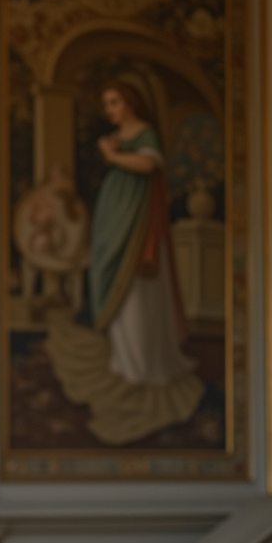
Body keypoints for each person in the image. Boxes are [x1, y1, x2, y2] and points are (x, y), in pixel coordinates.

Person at [89, 79, 194, 386]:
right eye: (106, 104)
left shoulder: (145, 133)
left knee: (136, 290)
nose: (109, 109)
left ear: (131, 102)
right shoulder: (115, 138)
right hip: (114, 220)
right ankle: (123, 359)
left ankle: (142, 364)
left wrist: (112, 156)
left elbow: (149, 164)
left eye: (114, 102)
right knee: (112, 277)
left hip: (137, 221)